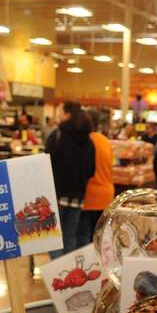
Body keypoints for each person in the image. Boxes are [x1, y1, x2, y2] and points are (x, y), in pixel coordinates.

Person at [44, 101, 97, 255]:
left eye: (60, 112)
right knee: (69, 237)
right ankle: (67, 275)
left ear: (68, 114)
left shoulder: (58, 135)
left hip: (56, 195)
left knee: (53, 239)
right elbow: (91, 171)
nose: (58, 115)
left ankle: (56, 275)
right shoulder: (88, 141)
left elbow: (46, 163)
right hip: (78, 197)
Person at [78, 109, 115, 249]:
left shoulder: (84, 141)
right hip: (106, 194)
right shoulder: (105, 141)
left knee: (83, 238)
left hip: (90, 195)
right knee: (99, 237)